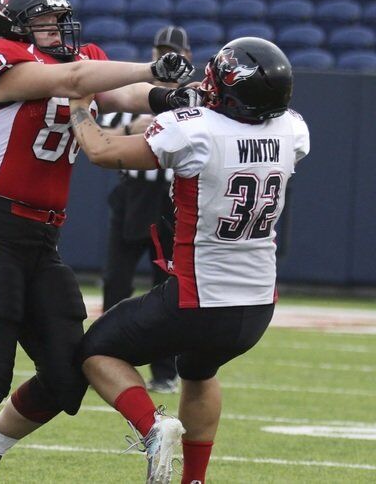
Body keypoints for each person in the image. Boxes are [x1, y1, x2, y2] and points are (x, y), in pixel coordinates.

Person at [0, 0, 200, 484]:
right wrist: (150, 67)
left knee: (67, 372)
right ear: (11, 24)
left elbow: (129, 92)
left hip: (42, 238)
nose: (54, 26)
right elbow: (73, 81)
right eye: (42, 18)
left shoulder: (81, 59)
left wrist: (175, 95)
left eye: (56, 17)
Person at [71, 37, 308, 484]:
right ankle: (194, 480)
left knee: (96, 349)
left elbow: (101, 151)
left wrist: (79, 106)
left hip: (198, 298)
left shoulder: (195, 128)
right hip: (257, 306)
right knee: (199, 370)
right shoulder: (292, 129)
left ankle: (153, 428)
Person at [101, 26, 194, 395]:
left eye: (173, 52)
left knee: (169, 288)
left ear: (187, 56)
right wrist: (130, 124)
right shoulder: (136, 89)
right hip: (132, 194)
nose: (167, 57)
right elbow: (101, 116)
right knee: (116, 279)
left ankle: (165, 371)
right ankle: (103, 356)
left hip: (171, 198)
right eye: (161, 51)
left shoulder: (194, 96)